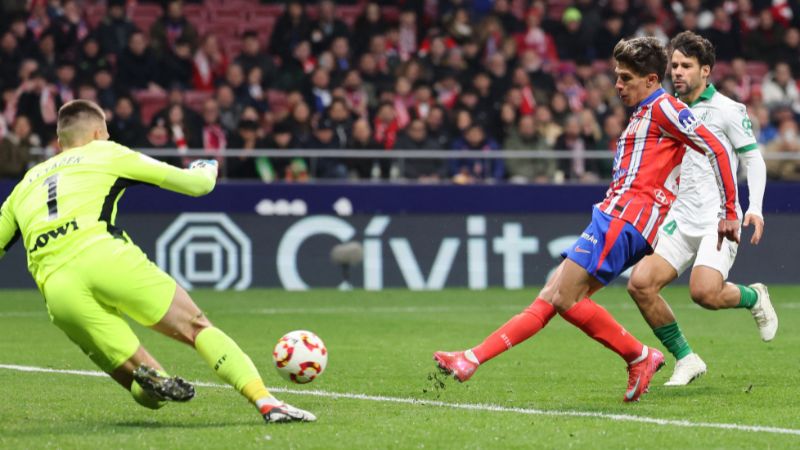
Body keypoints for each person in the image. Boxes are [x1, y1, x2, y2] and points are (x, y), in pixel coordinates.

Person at [433, 37, 740, 402]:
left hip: (625, 219)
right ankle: (471, 359)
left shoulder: (665, 108)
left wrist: (731, 210)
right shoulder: (645, 111)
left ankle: (639, 356)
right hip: (616, 217)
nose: (618, 85)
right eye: (617, 76)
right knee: (551, 295)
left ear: (652, 79)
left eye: (626, 78)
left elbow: (715, 145)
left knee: (564, 297)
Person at [0, 100, 314, 423]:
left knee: (137, 377)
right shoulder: (106, 152)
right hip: (104, 257)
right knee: (196, 327)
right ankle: (266, 402)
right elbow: (197, 185)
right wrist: (207, 166)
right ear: (97, 133)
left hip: (57, 288)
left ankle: (149, 381)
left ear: (59, 141)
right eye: (106, 133)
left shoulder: (25, 184)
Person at [627, 31, 777, 387]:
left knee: (704, 293)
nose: (677, 72)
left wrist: (754, 207)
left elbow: (752, 160)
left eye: (686, 66)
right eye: (674, 65)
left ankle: (755, 296)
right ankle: (687, 358)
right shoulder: (666, 109)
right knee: (640, 285)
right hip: (679, 217)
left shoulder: (727, 109)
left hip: (718, 218)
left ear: (705, 70)